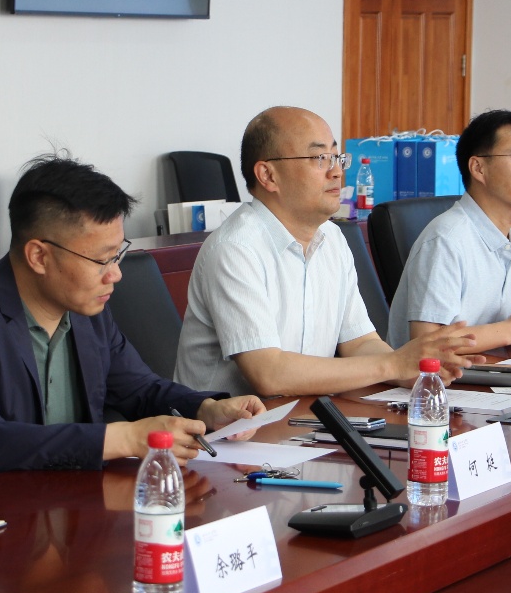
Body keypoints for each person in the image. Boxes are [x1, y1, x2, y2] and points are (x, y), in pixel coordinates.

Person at [0, 154, 264, 497]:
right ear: (39, 256)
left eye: (118, 255)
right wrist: (125, 438)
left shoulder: (85, 312)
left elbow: (141, 390)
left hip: (56, 506)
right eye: (101, 260)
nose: (115, 274)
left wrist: (206, 409)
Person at [174, 106, 482, 397]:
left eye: (337, 157)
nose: (336, 171)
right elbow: (269, 374)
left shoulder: (332, 237)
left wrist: (415, 369)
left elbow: (359, 343)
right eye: (319, 158)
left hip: (303, 414)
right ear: (268, 175)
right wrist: (393, 365)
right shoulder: (236, 248)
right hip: (224, 429)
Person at [388, 109, 511, 349]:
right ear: (479, 168)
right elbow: (426, 344)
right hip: (441, 374)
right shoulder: (446, 239)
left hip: (498, 366)